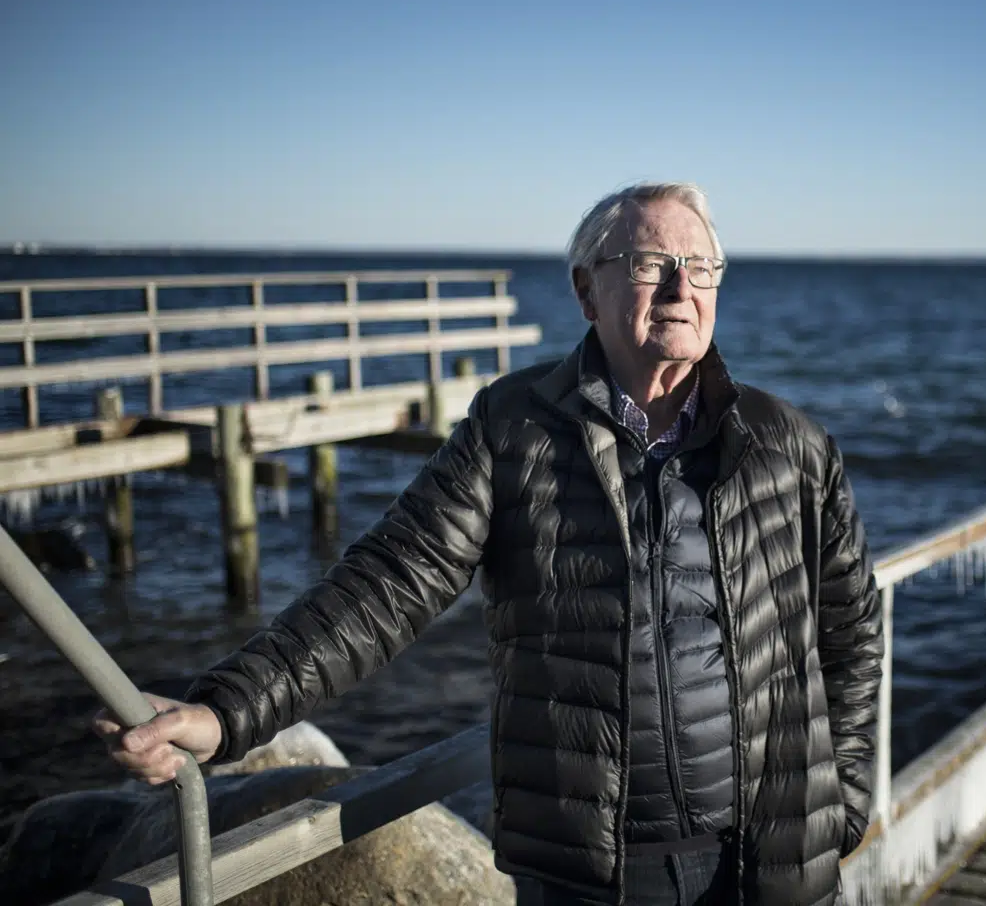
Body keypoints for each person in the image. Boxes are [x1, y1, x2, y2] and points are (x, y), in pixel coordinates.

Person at [94, 182, 885, 905]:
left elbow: (851, 632)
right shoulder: (515, 430)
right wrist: (228, 710)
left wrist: (840, 801)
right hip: (595, 878)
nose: (682, 289)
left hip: (771, 867)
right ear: (586, 289)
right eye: (652, 263)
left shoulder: (790, 445)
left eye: (702, 267)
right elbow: (387, 586)